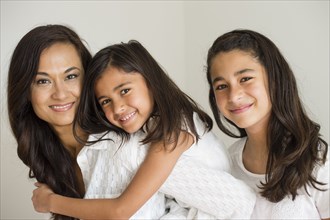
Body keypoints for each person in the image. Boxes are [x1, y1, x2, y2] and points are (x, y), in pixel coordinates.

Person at [32, 40, 256, 219]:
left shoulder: (174, 132)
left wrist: (50, 202)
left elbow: (120, 211)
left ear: (150, 82)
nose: (118, 108)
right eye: (105, 102)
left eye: (125, 91)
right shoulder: (151, 128)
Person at [206, 29, 329, 219]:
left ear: (275, 79)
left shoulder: (319, 162)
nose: (234, 95)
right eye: (222, 86)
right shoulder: (225, 166)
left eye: (245, 79)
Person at [7, 24, 92, 220]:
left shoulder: (120, 137)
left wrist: (53, 202)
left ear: (88, 77)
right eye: (43, 81)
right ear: (25, 92)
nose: (60, 94)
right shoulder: (45, 155)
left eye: (71, 76)